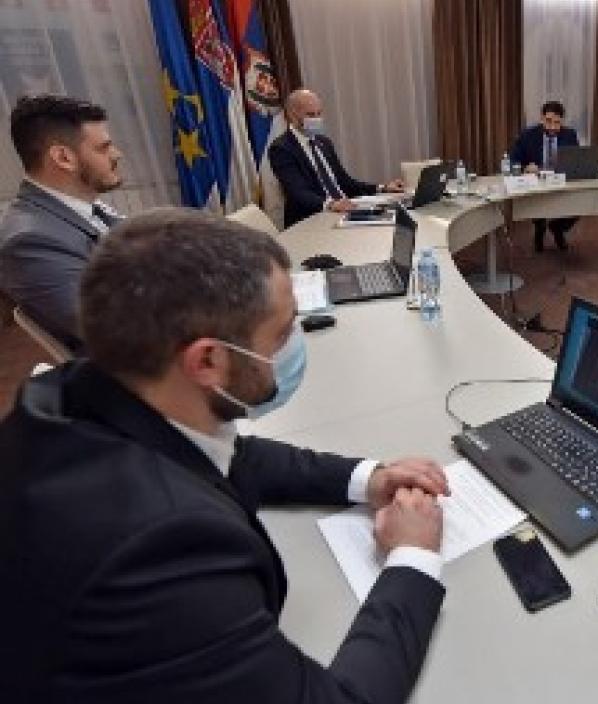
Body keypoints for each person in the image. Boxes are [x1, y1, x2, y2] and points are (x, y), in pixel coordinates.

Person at [0, 209, 448, 703]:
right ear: (207, 360)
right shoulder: (161, 554)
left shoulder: (75, 394)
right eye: (282, 335)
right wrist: (412, 557)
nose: (292, 346)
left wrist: (369, 478)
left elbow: (234, 456)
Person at [0, 94, 124, 354]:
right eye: (103, 148)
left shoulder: (87, 209)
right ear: (63, 157)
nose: (117, 154)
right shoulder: (29, 241)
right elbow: (115, 328)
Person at [268, 88, 404, 228]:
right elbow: (298, 192)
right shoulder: (282, 148)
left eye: (319, 113)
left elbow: (345, 182)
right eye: (310, 115)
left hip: (343, 212)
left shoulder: (323, 142)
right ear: (292, 115)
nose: (316, 119)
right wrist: (331, 204)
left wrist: (382, 187)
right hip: (312, 219)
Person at [509, 100, 580, 251]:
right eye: (548, 121)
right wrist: (525, 167)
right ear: (541, 118)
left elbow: (576, 160)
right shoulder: (528, 135)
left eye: (557, 123)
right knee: (539, 205)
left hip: (562, 180)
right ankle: (539, 227)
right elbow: (512, 161)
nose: (552, 127)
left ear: (562, 121)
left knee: (580, 203)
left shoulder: (570, 135)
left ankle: (557, 228)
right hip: (537, 182)